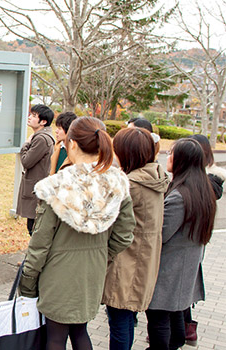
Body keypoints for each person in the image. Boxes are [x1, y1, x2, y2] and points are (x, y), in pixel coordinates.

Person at [19, 117, 136, 350]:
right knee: (80, 331)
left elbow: (40, 244)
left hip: (57, 273)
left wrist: (28, 281)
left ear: (72, 144)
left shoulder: (56, 186)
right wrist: (101, 254)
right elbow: (124, 235)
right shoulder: (117, 183)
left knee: (55, 337)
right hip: (92, 272)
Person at [146, 138, 216, 350]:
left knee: (158, 322)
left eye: (172, 153)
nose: (168, 156)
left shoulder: (179, 196)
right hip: (185, 269)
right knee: (175, 317)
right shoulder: (201, 190)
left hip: (169, 269)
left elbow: (162, 234)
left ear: (182, 160)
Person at [102, 127, 169, 350]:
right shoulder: (156, 178)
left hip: (126, 264)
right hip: (144, 261)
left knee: (119, 320)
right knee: (127, 318)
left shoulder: (131, 185)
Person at [181, 134, 225, 346]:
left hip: (188, 243)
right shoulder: (207, 181)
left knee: (182, 288)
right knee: (185, 287)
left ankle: (186, 330)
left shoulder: (207, 182)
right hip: (196, 241)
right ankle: (187, 329)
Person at [16, 104, 55, 235]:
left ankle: (34, 256)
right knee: (33, 227)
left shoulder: (41, 139)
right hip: (36, 186)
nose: (29, 117)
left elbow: (26, 161)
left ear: (43, 121)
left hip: (36, 188)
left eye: (34, 116)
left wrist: (26, 144)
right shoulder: (41, 136)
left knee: (34, 228)